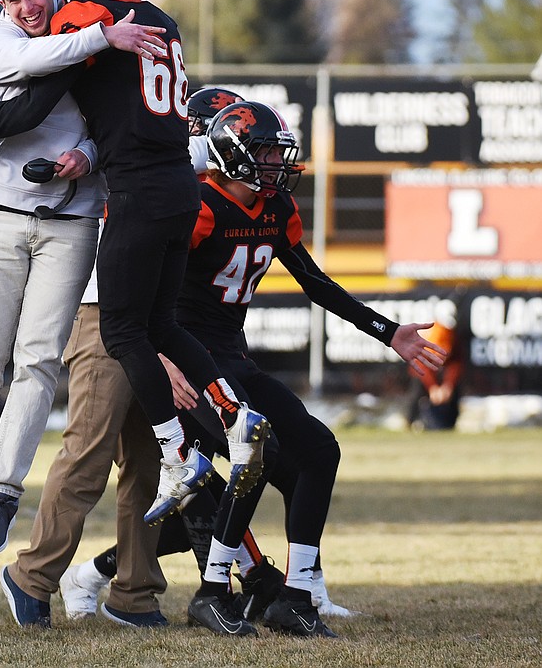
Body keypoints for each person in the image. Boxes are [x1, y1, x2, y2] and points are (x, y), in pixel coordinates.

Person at [0, 0, 272, 536]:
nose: (31, 5)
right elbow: (73, 84)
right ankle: (233, 416)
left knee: (115, 332)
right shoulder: (157, 21)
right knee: (142, 327)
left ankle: (176, 456)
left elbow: (35, 106)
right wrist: (101, 39)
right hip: (170, 189)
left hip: (123, 199)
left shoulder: (84, 21)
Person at [69, 101, 447, 638]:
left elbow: (316, 283)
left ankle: (296, 595)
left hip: (233, 357)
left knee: (317, 452)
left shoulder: (276, 208)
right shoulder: (196, 205)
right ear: (232, 154)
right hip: (190, 364)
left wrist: (387, 332)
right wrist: (161, 361)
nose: (277, 163)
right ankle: (215, 590)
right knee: (252, 457)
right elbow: (147, 301)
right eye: (267, 152)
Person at [0, 0, 167, 557]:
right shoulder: (2, 40)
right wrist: (105, 33)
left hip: (72, 217)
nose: (29, 5)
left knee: (38, 359)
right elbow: (36, 60)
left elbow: (111, 124)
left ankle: (1, 493)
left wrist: (89, 156)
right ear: (2, 5)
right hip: (2, 212)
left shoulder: (80, 37)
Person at [0, 88, 238, 629]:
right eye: (205, 129)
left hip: (147, 319)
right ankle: (32, 574)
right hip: (106, 313)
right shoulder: (141, 146)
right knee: (89, 451)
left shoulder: (179, 170)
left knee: (148, 464)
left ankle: (135, 590)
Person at [405, 289, 468, 430]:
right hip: (424, 372)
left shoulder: (453, 335)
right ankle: (410, 421)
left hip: (442, 370)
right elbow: (420, 362)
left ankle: (450, 423)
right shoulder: (430, 333)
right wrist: (433, 387)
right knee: (416, 390)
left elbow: (457, 361)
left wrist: (448, 385)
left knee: (455, 392)